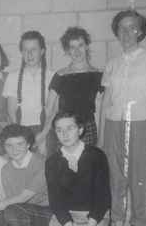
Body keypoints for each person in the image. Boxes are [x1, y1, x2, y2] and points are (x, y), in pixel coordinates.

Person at [98, 9, 146, 226]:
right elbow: (105, 104)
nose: (126, 33)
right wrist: (103, 136)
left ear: (140, 31)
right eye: (121, 28)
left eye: (132, 27)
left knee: (139, 179)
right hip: (115, 125)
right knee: (115, 179)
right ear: (116, 32)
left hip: (142, 124)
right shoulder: (112, 64)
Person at [44, 112, 111, 226]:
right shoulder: (52, 162)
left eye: (70, 128)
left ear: (80, 130)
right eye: (59, 130)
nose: (64, 134)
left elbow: (102, 199)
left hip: (92, 220)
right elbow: (56, 203)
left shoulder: (96, 156)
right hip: (65, 221)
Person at [38, 26, 104, 156]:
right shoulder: (60, 75)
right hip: (64, 130)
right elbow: (50, 109)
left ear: (86, 46)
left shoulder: (98, 75)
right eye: (72, 47)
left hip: (87, 129)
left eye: (80, 45)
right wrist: (43, 135)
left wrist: (101, 139)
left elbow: (101, 110)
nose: (77, 51)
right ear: (67, 50)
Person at [2, 31, 53, 153]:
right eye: (25, 50)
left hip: (46, 131)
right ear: (21, 52)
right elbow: (11, 111)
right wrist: (21, 138)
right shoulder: (13, 77)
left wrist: (43, 136)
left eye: (33, 50)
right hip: (21, 131)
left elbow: (54, 111)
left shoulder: (52, 76)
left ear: (42, 51)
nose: (29, 54)